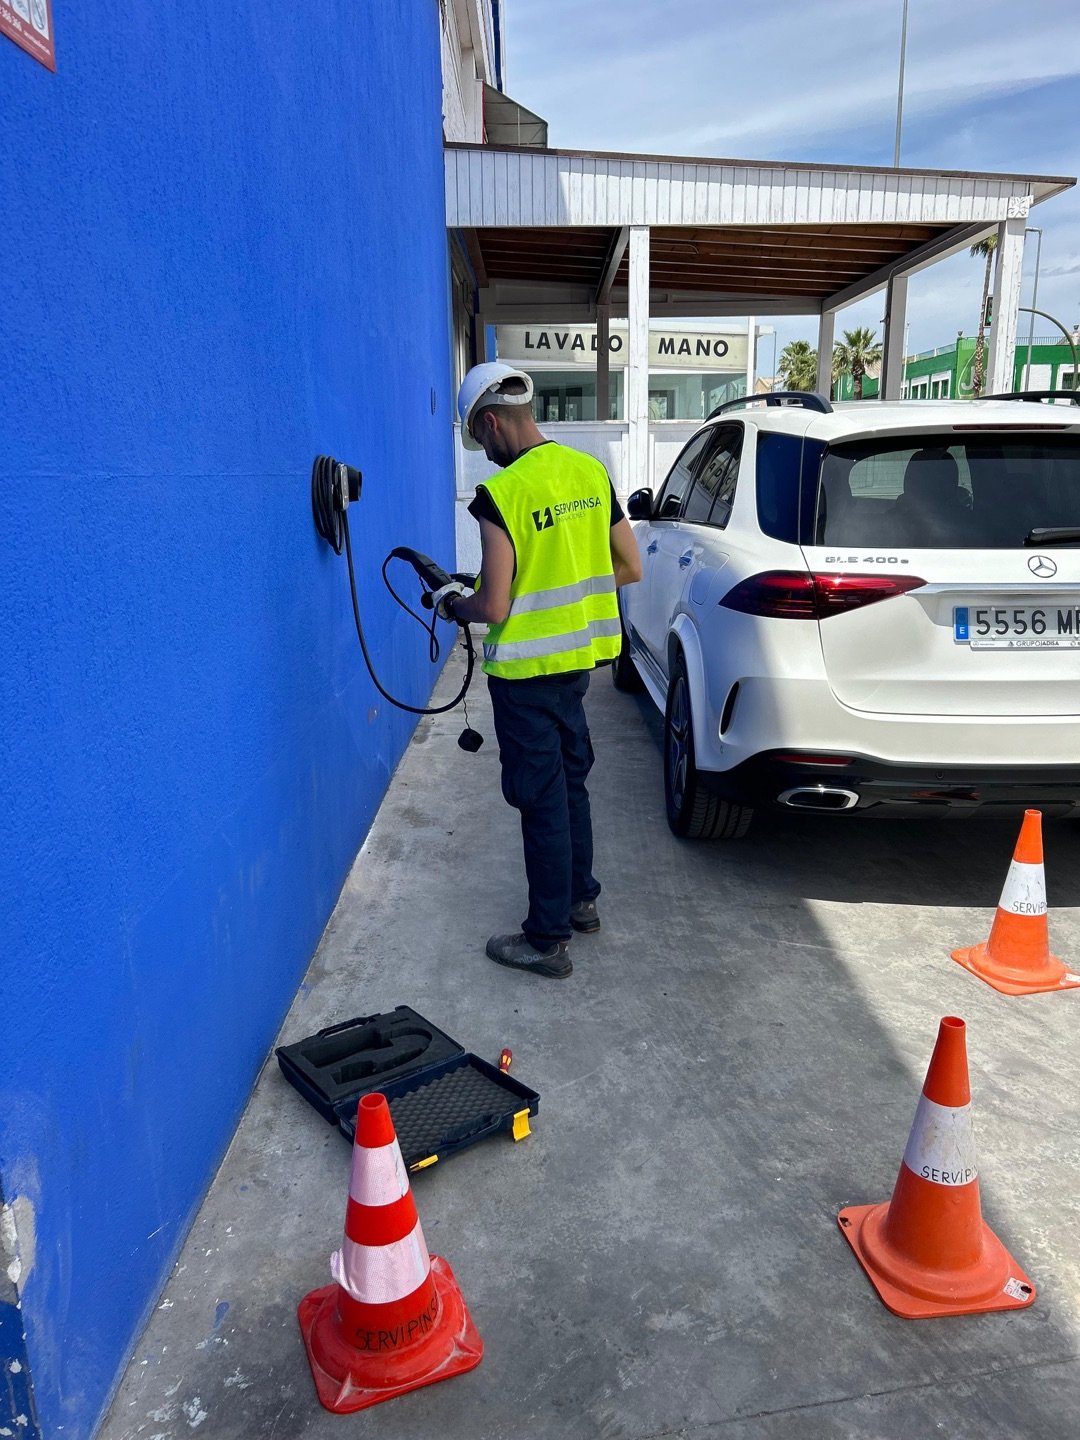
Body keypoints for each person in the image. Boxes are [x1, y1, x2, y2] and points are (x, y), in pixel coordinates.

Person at [433, 362, 642, 980]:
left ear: (492, 422)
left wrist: (454, 603)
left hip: (524, 678)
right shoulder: (590, 473)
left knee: (540, 799)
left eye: (480, 440)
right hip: (578, 669)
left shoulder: (504, 495)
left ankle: (546, 938)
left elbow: (494, 606)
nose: (485, 455)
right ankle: (581, 902)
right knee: (571, 786)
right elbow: (627, 565)